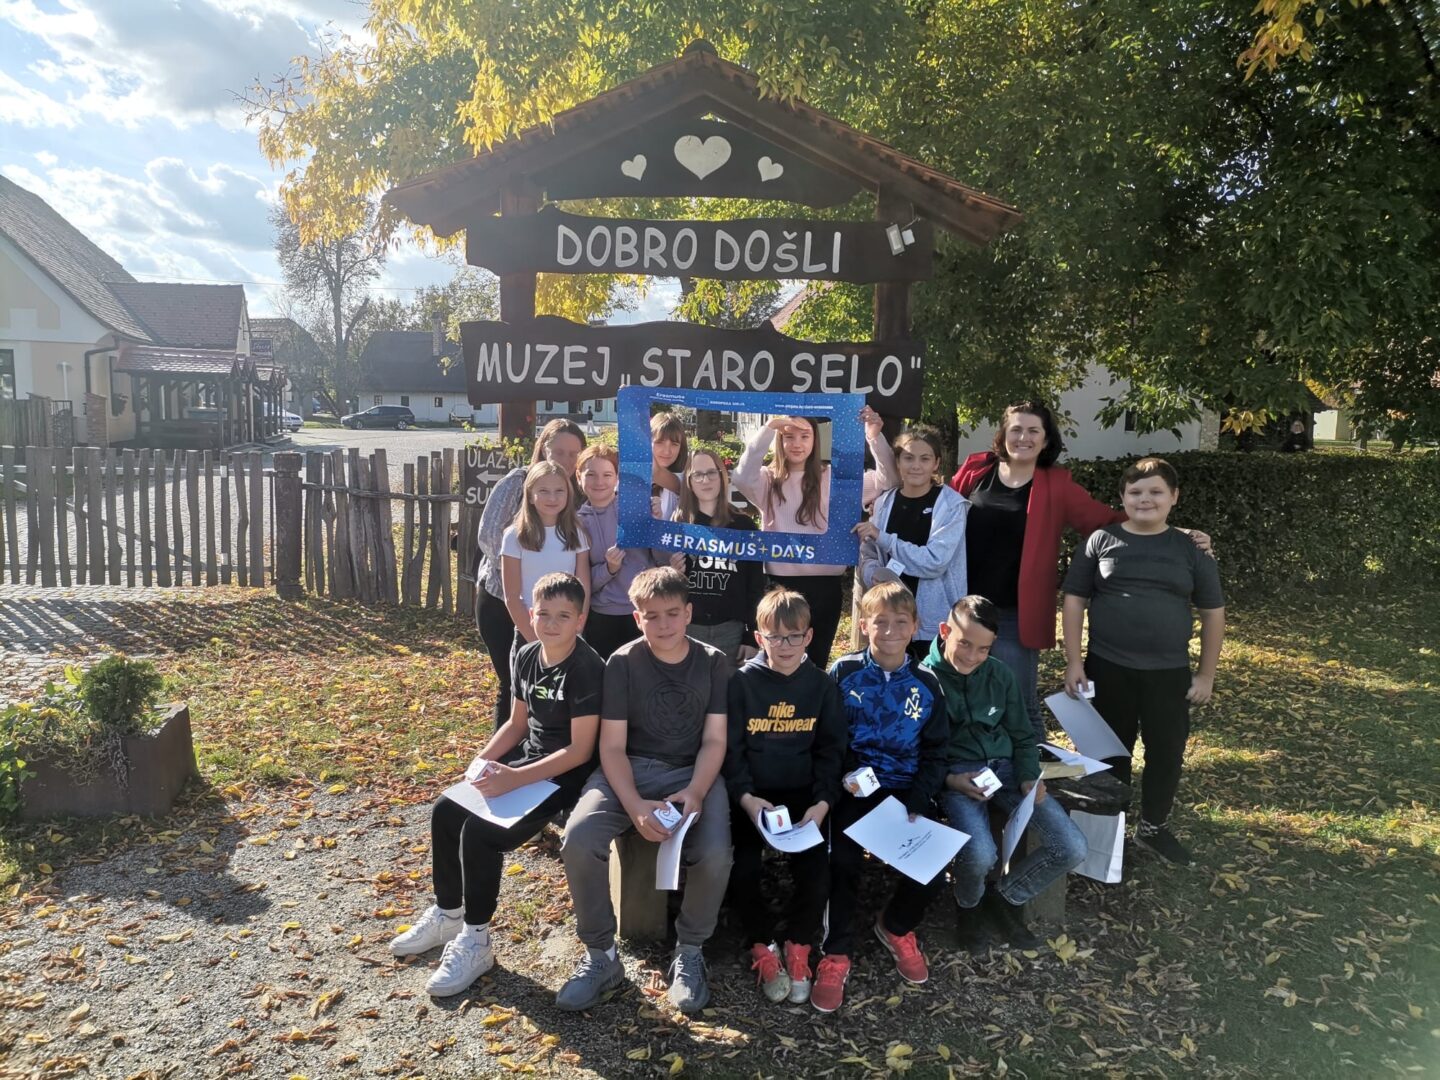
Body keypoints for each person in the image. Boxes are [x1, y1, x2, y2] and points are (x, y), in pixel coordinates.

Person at [390, 573, 603, 995]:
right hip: (526, 763)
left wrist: (514, 779)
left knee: (480, 834)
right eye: (543, 613)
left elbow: (580, 751)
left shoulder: (587, 667)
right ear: (531, 614)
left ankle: (477, 941)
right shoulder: (525, 654)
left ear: (580, 620)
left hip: (565, 777)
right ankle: (448, 914)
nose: (551, 623)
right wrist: (482, 762)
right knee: (446, 810)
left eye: (563, 616)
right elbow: (517, 724)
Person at [950, 401, 1210, 741]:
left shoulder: (1055, 485)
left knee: (1019, 703)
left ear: (1046, 439)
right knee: (964, 695)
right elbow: (938, 510)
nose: (1024, 437)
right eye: (1016, 429)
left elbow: (1107, 520)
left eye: (1033, 431)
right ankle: (976, 764)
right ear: (1003, 434)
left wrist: (1173, 532)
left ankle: (1036, 770)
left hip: (1014, 614)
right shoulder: (976, 471)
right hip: (963, 608)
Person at [557, 567, 733, 1015]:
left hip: (693, 772)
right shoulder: (622, 663)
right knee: (579, 837)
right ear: (637, 618)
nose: (663, 624)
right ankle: (601, 955)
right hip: (629, 769)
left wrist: (696, 792)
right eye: (651, 616)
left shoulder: (713, 662)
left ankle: (689, 950)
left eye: (672, 613)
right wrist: (635, 806)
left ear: (688, 612)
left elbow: (715, 740)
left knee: (714, 854)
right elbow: (612, 747)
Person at [1061, 457, 1226, 865]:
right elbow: (1074, 600)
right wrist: (1074, 661)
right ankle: (1106, 832)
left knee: (1166, 753)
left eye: (1156, 491)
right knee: (1107, 754)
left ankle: (1153, 829)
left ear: (1174, 497)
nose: (1145, 499)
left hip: (1168, 674)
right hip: (1107, 668)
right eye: (1135, 492)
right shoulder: (1101, 541)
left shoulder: (1192, 549)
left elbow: (1213, 613)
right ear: (1122, 497)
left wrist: (1206, 674)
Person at [814, 582, 948, 1013]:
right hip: (853, 787)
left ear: (915, 626)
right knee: (841, 861)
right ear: (863, 625)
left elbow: (936, 751)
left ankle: (895, 926)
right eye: (880, 622)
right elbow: (828, 736)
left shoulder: (927, 683)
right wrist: (848, 770)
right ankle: (836, 952)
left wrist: (919, 799)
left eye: (900, 622)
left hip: (905, 789)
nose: (890, 631)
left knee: (933, 863)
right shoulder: (844, 672)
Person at [926, 595, 1087, 951]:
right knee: (981, 853)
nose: (972, 656)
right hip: (958, 775)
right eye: (964, 643)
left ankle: (1005, 898)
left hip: (1007, 769)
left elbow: (1022, 734)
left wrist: (1029, 775)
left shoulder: (1000, 674)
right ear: (944, 631)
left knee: (1072, 847)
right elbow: (919, 752)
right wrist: (949, 780)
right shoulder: (925, 680)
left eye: (983, 649)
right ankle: (969, 909)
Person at [724, 587, 847, 1005]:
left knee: (817, 870)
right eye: (775, 637)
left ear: (809, 636)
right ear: (759, 638)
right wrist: (745, 798)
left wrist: (822, 804)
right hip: (754, 798)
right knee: (742, 867)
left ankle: (799, 945)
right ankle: (761, 944)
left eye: (794, 636)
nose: (785, 645)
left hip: (804, 796)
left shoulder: (821, 686)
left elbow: (831, 751)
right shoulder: (741, 683)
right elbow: (732, 750)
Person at [733, 406, 898, 668]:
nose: (797, 444)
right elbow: (741, 476)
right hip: (781, 585)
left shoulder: (835, 479)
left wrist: (874, 436)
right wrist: (769, 428)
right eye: (789, 436)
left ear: (815, 440)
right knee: (780, 663)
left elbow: (887, 480)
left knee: (816, 663)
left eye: (805, 436)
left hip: (825, 586)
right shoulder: (768, 480)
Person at [475, 419, 586, 725]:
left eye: (574, 453)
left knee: (547, 688)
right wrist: (523, 571)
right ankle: (506, 748)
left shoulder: (576, 490)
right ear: (543, 449)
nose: (567, 460)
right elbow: (488, 536)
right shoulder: (518, 482)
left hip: (555, 609)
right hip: (502, 598)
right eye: (559, 452)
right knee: (513, 684)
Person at [856, 425, 970, 660]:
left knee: (929, 682)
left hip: (933, 626)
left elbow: (935, 562)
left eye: (924, 459)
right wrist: (873, 573)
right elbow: (869, 551)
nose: (916, 465)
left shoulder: (952, 505)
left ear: (936, 463)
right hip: (889, 621)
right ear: (898, 462)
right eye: (908, 458)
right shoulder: (884, 502)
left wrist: (884, 538)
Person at [671, 449, 765, 662]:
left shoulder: (744, 526)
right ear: (689, 481)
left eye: (712, 472)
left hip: (731, 631)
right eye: (698, 474)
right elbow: (667, 588)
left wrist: (751, 637)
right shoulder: (678, 525)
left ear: (722, 476)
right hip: (689, 629)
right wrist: (673, 574)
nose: (705, 480)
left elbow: (755, 586)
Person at [501, 461, 590, 669]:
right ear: (530, 494)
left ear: (568, 494)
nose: (552, 498)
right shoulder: (514, 536)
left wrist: (576, 630)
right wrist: (536, 642)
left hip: (568, 632)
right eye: (544, 491)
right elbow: (512, 596)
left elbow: (584, 586)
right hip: (529, 631)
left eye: (559, 491)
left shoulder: (576, 533)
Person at [576, 444, 661, 660]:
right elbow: (582, 581)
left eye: (607, 474)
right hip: (602, 616)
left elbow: (662, 560)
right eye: (591, 474)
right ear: (579, 477)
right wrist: (609, 569)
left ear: (616, 478)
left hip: (644, 609)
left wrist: (657, 526)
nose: (599, 482)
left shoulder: (636, 508)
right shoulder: (576, 523)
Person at [651, 411, 687, 521]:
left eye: (674, 444)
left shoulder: (683, 478)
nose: (667, 451)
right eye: (659, 442)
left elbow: (656, 472)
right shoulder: (630, 476)